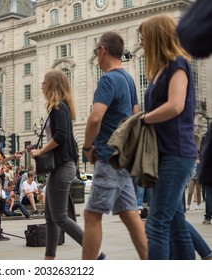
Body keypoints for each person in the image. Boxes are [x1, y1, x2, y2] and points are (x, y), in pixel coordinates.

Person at [82, 31, 147, 260]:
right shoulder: (129, 79)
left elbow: (95, 118)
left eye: (96, 52)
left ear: (102, 50)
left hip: (108, 157)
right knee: (129, 213)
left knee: (91, 215)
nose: (97, 58)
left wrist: (87, 147)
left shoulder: (108, 79)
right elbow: (136, 115)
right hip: (123, 158)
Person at [139, 15, 199, 259]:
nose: (140, 41)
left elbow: (175, 105)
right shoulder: (159, 70)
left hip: (176, 151)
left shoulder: (177, 64)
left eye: (143, 35)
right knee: (174, 220)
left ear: (156, 36)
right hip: (164, 152)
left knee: (156, 222)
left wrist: (142, 119)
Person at [29, 69, 84, 260]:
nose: (41, 86)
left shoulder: (60, 107)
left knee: (60, 216)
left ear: (51, 85)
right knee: (50, 217)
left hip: (63, 166)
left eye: (44, 82)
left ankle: (95, 251)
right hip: (59, 167)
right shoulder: (57, 108)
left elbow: (60, 136)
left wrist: (40, 151)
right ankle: (49, 259)